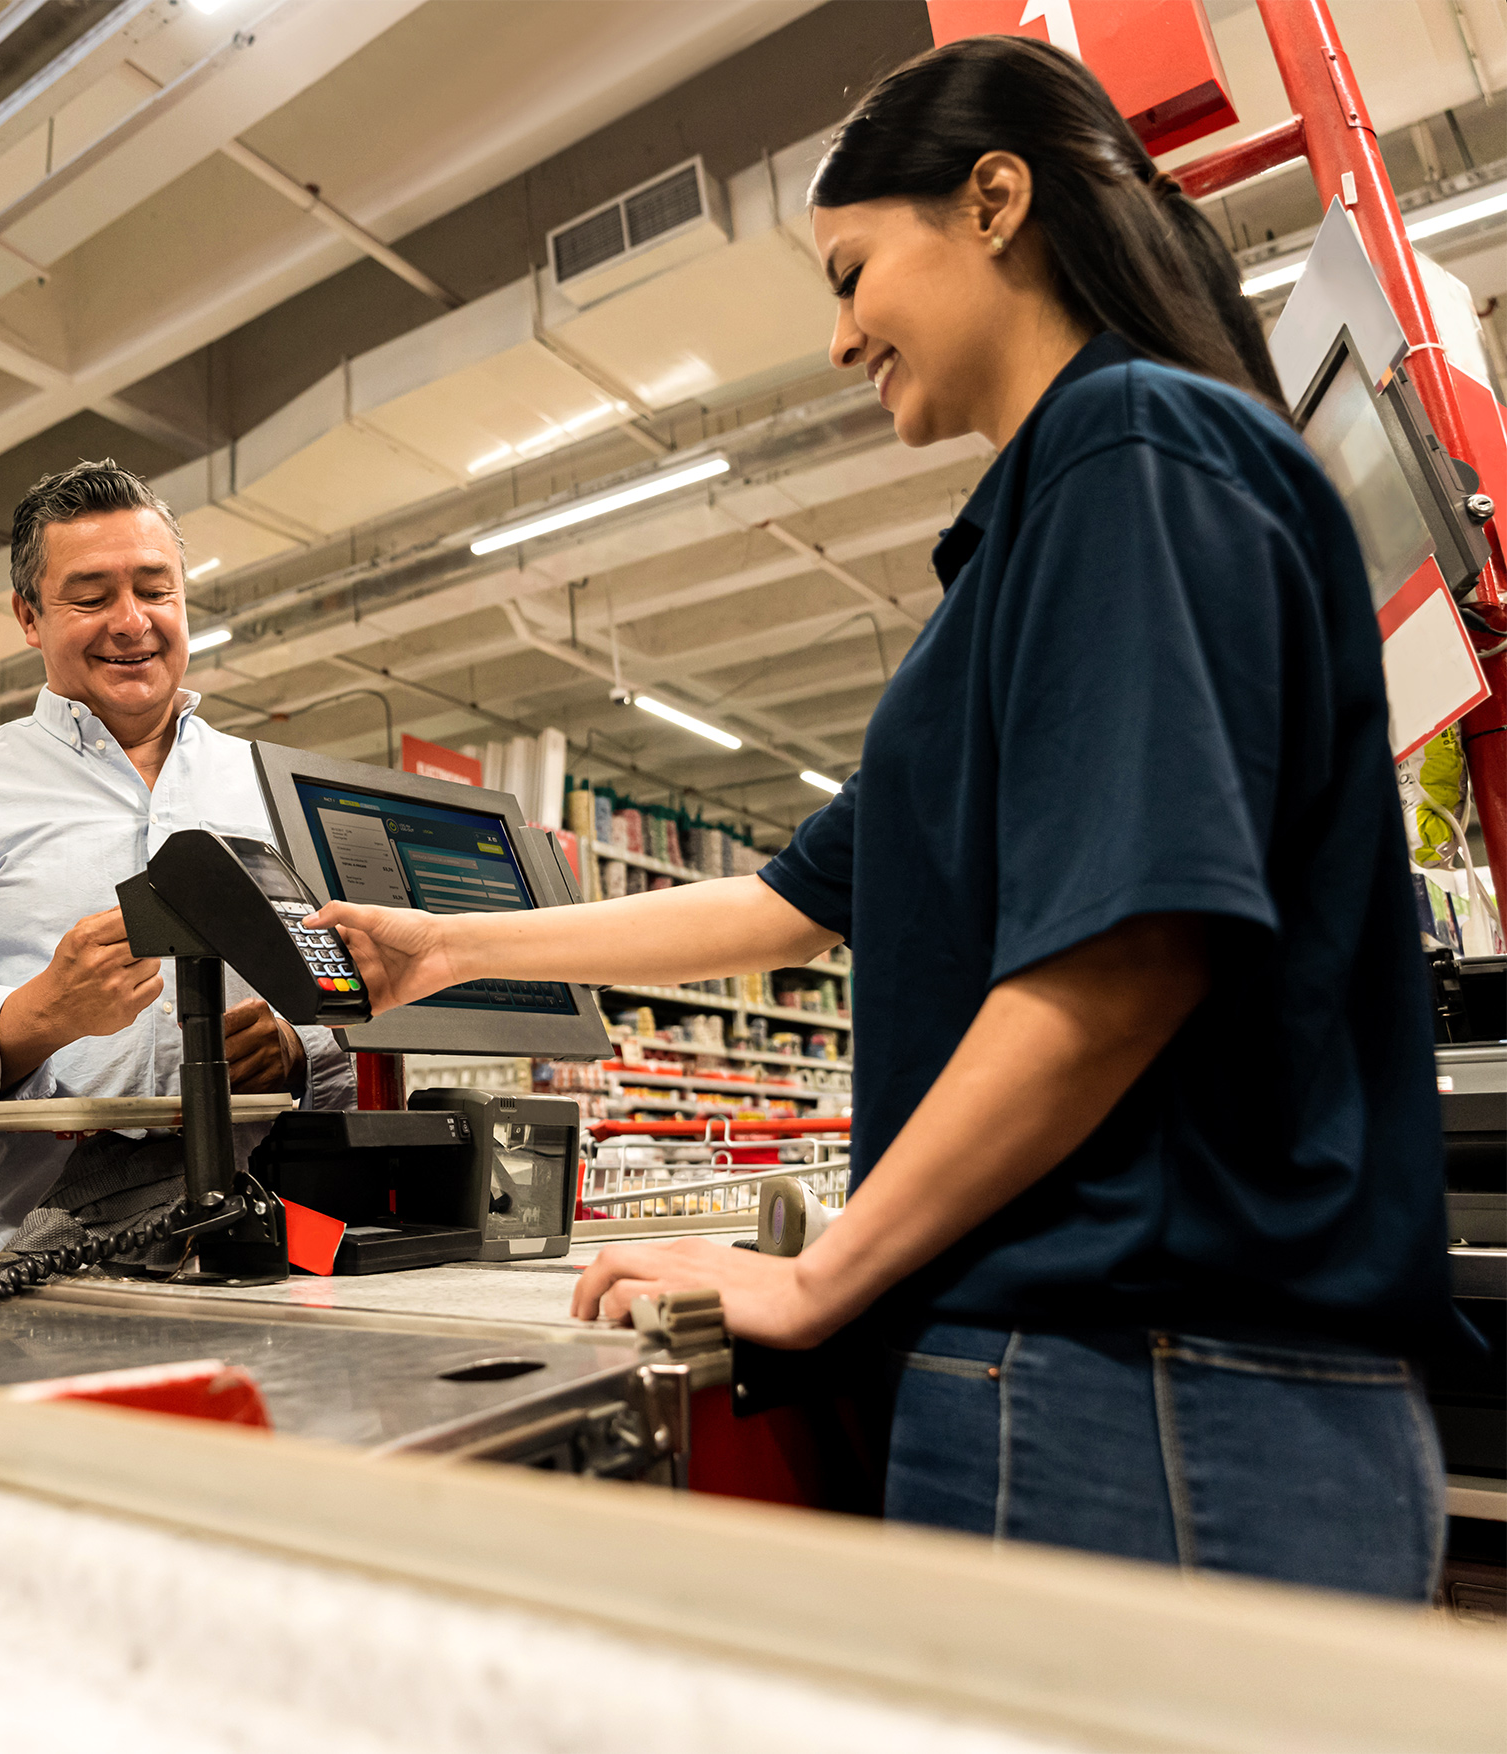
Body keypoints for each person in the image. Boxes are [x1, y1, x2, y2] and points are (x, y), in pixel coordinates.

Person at [311, 36, 1461, 1601]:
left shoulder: (1135, 454)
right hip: (1108, 1376)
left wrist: (819, 1273)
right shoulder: (1032, 541)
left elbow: (1125, 953)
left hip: (1149, 1384)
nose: (843, 335)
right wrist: (442, 946)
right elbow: (779, 904)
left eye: (853, 273)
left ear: (994, 201)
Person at [0, 460, 356, 1309]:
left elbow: (349, 999)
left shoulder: (272, 787)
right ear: (29, 616)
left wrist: (293, 1048)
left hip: (268, 1252)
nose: (130, 623)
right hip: (31, 1265)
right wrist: (35, 1018)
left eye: (153, 589)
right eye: (90, 597)